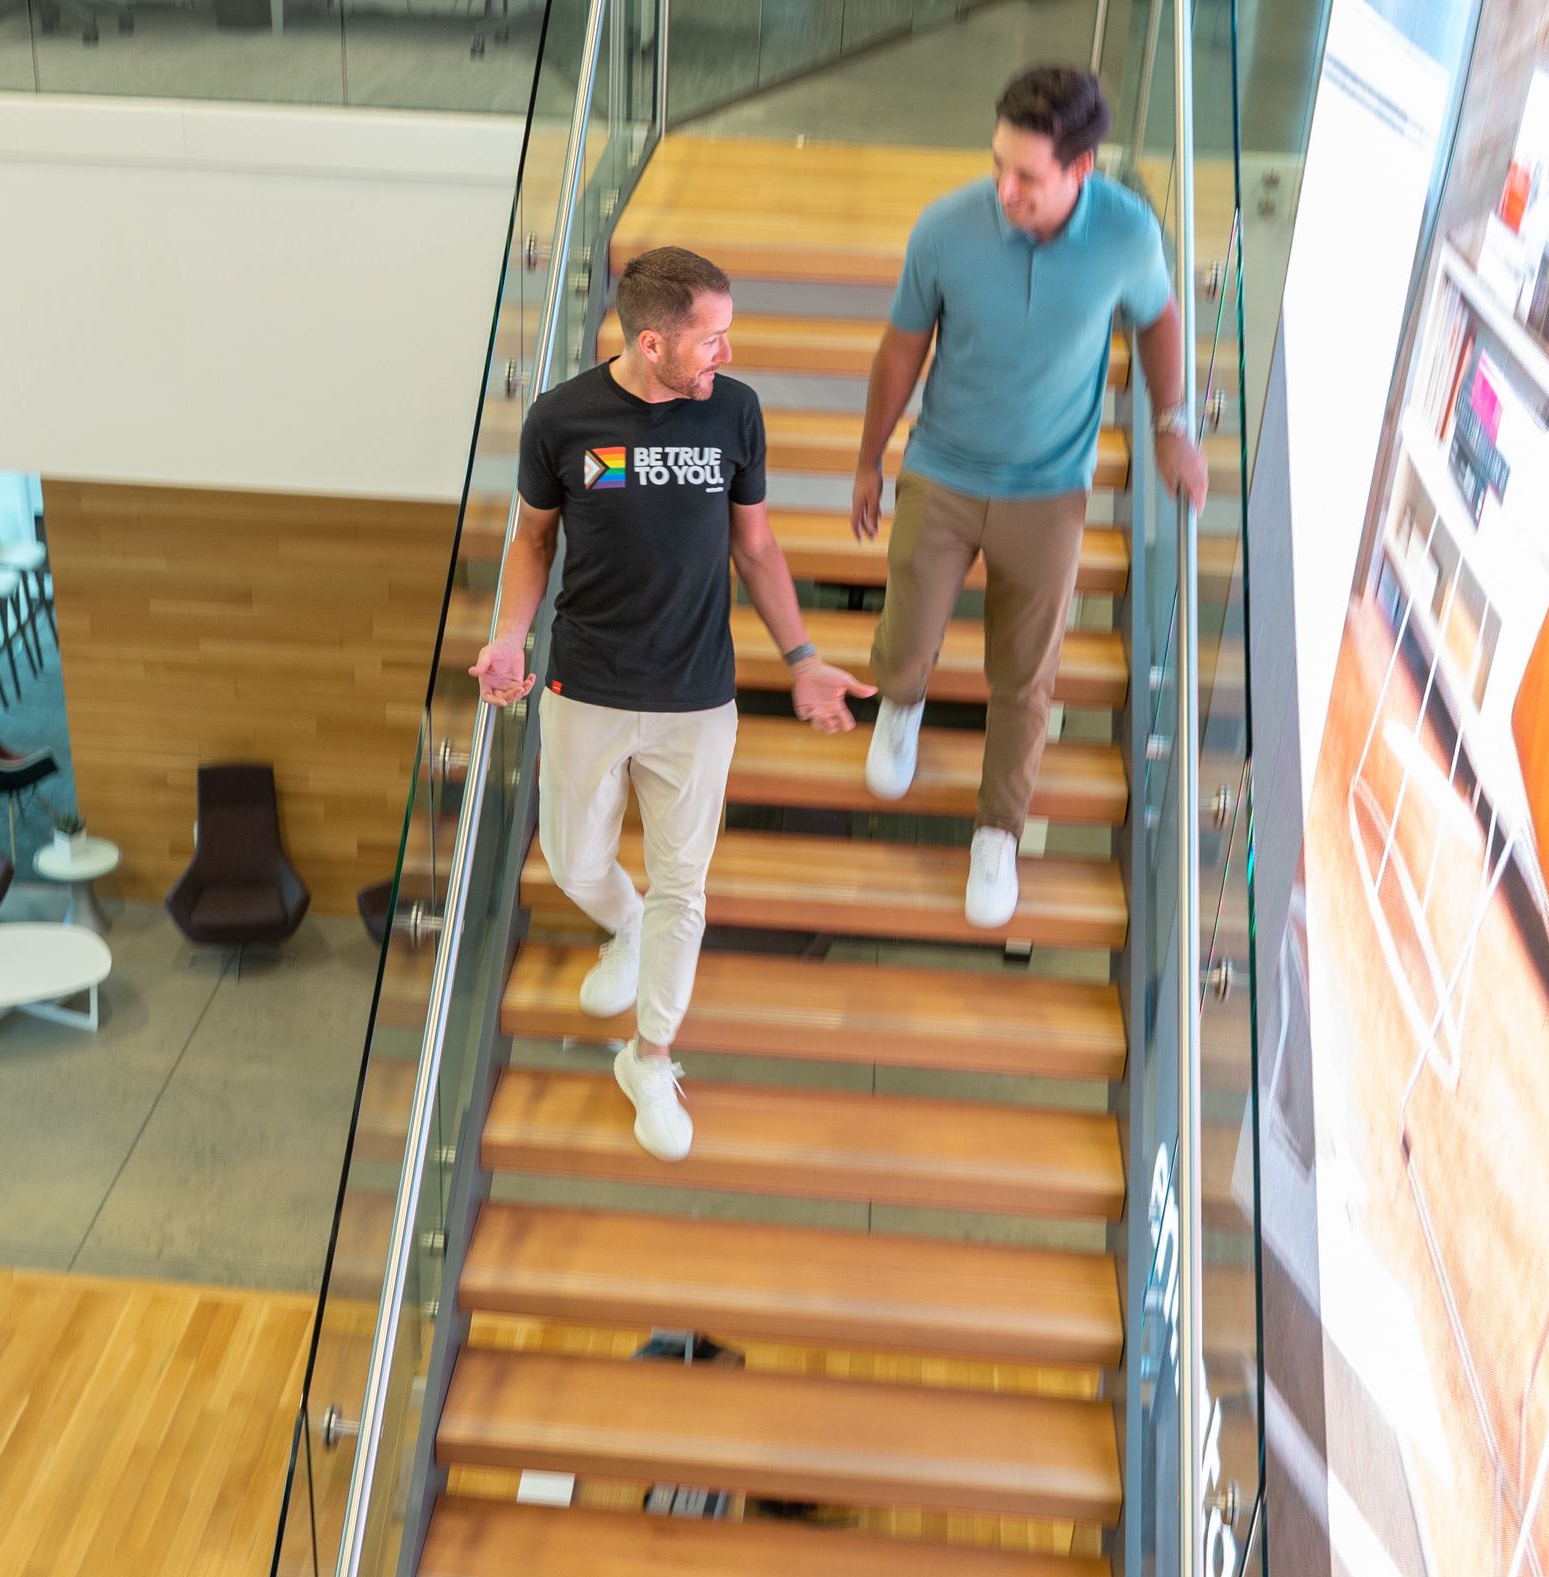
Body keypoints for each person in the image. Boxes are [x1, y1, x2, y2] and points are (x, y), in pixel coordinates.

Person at [472, 245, 873, 1162]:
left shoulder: (734, 413)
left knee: (684, 886)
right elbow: (534, 540)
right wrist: (509, 634)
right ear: (652, 343)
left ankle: (649, 1057)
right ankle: (625, 925)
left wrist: (802, 655)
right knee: (574, 861)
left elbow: (758, 547)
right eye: (713, 340)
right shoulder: (562, 419)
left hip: (697, 697)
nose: (727, 356)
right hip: (586, 685)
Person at [852, 65, 1210, 927]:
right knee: (907, 631)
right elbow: (902, 348)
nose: (1004, 188)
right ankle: (901, 704)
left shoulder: (1128, 235)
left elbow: (1159, 317)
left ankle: (997, 834)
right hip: (942, 469)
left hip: (1050, 489)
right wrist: (871, 457)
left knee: (1026, 675)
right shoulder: (947, 227)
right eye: (997, 165)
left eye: (1028, 176)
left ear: (1081, 169)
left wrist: (1170, 422)